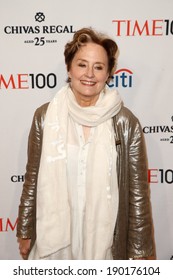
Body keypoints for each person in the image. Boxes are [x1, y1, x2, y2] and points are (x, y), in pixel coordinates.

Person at [17, 27, 154, 260]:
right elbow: (32, 177)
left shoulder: (125, 122)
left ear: (108, 73)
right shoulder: (45, 116)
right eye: (82, 64)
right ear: (69, 68)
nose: (89, 74)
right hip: (55, 248)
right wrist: (25, 229)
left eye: (98, 67)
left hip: (104, 247)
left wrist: (140, 250)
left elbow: (139, 192)